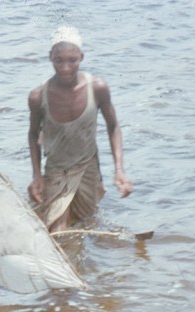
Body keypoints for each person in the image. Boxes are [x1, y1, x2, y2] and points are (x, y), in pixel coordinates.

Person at [28, 27, 132, 233]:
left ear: (81, 57)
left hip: (87, 167)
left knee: (86, 222)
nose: (65, 68)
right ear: (50, 57)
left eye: (72, 60)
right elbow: (33, 135)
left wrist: (119, 169)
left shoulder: (97, 88)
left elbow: (113, 127)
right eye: (58, 60)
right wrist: (37, 176)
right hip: (56, 169)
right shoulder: (38, 96)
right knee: (57, 228)